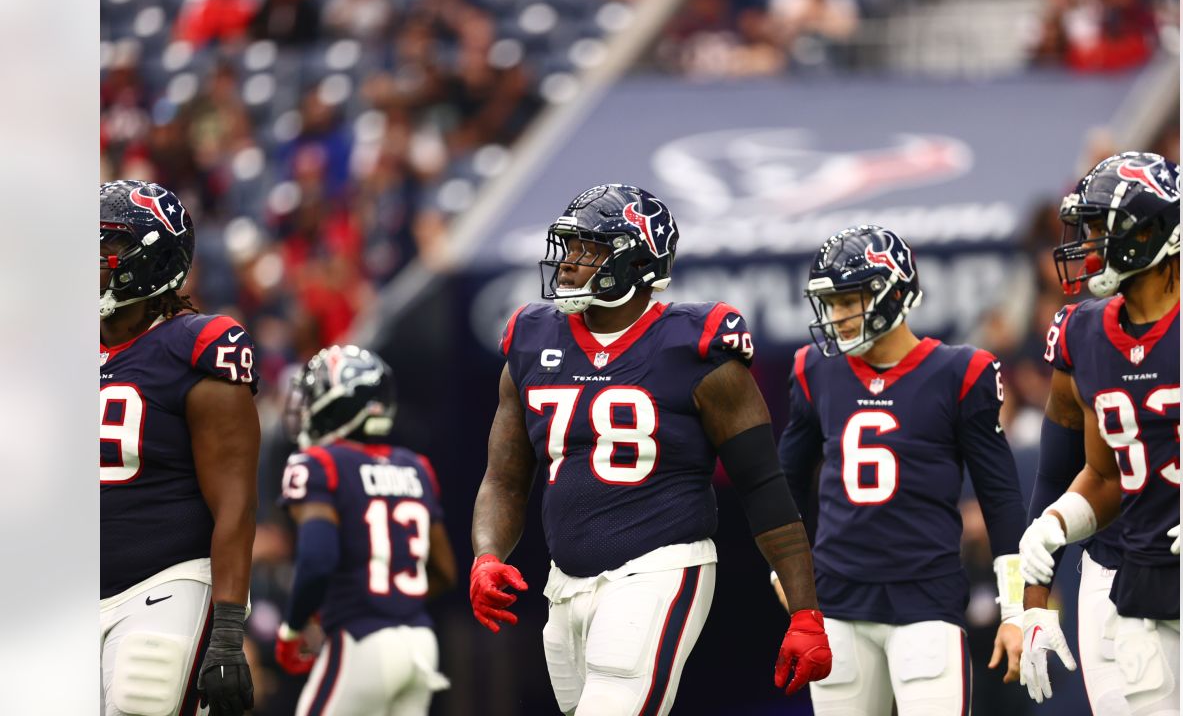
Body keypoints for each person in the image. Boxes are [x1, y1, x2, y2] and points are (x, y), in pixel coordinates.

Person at [470, 183, 833, 715]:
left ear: (634, 261)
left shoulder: (693, 346)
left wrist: (805, 611)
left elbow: (763, 484)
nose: (568, 263)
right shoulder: (532, 337)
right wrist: (486, 555)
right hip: (565, 583)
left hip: (660, 567)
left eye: (587, 249)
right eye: (568, 247)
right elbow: (504, 477)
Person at [777, 225, 1028, 715]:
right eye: (830, 303)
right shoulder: (814, 369)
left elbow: (1001, 500)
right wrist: (783, 571)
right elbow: (783, 484)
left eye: (849, 301)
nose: (837, 317)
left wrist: (1017, 608)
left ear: (894, 293)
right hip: (839, 603)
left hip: (925, 603)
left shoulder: (960, 372)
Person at [1019, 152, 1180, 714]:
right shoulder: (1084, 332)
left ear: (1149, 232)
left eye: (1098, 231)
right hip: (1133, 575)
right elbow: (1100, 476)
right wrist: (1043, 552)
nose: (1085, 247)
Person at [99, 180, 258, 716]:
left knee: (137, 705)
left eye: (107, 246)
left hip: (165, 584)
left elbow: (234, 501)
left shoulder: (195, 346)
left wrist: (230, 628)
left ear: (151, 257)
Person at [275, 344, 456, 715]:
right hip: (421, 643)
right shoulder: (416, 467)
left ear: (339, 402)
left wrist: (292, 628)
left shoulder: (320, 463)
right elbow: (444, 572)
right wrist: (393, 604)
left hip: (361, 643)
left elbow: (316, 560)